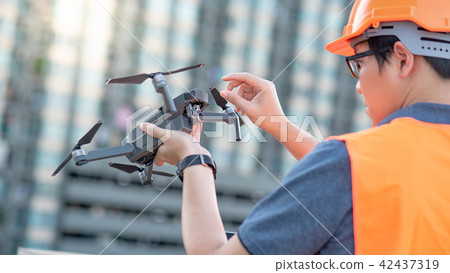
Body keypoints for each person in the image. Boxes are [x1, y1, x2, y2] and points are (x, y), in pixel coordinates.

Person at [140, 0, 450, 254]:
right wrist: (280, 125)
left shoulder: (349, 163)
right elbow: (379, 181)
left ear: (402, 60)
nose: (358, 86)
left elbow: (216, 262)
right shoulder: (368, 165)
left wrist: (192, 157)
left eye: (359, 63)